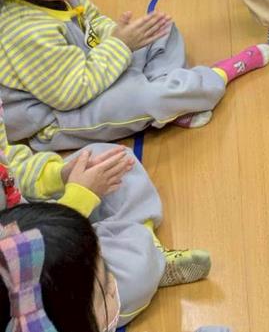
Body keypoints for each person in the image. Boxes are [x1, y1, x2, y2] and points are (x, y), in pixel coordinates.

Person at [0, 0, 269, 150]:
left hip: (90, 68)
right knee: (143, 98)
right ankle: (211, 79)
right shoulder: (27, 32)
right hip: (57, 115)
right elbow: (71, 94)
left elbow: (93, 21)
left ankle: (170, 102)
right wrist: (121, 44)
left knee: (160, 30)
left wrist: (117, 35)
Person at [0, 131, 210, 327]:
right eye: (105, 283)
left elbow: (12, 166)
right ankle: (149, 257)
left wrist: (59, 174)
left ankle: (148, 251)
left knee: (114, 160)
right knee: (136, 275)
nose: (108, 286)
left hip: (36, 218)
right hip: (34, 266)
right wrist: (79, 198)